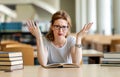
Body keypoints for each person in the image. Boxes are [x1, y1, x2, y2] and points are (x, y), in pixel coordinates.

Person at [26, 10, 93, 66]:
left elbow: (77, 62)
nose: (60, 30)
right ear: (52, 27)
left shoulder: (71, 40)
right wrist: (39, 38)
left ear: (68, 28)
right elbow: (43, 63)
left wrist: (79, 38)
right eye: (57, 26)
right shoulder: (45, 41)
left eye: (64, 27)